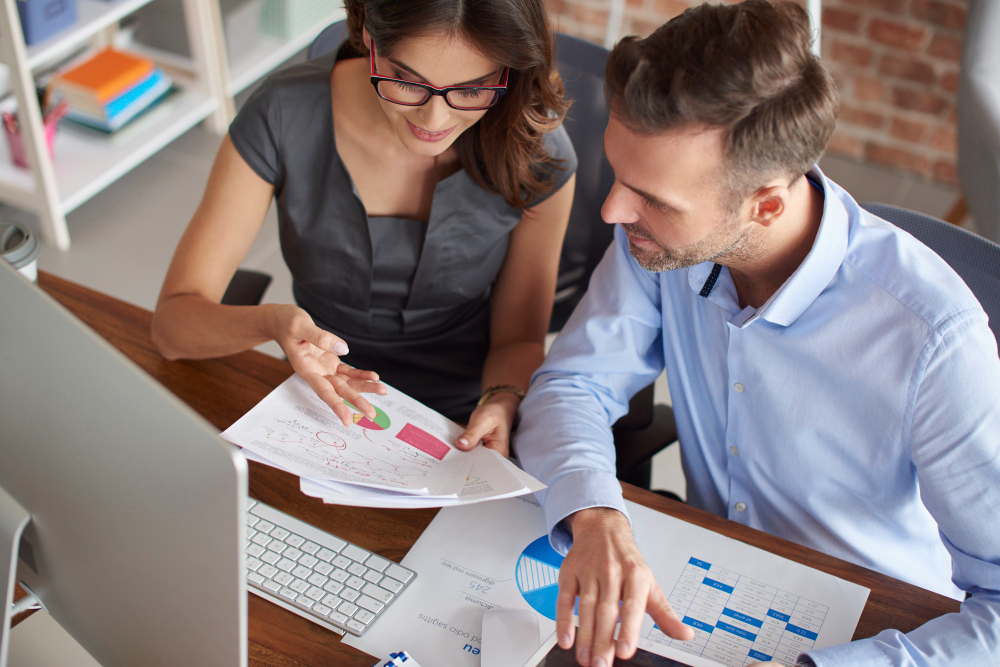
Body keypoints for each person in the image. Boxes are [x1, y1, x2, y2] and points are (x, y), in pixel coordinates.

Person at [515, 2, 1000, 666]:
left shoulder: (936, 341)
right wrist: (593, 510)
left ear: (765, 203)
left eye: (653, 197)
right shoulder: (655, 242)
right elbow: (570, 383)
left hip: (877, 631)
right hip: (709, 584)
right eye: (621, 177)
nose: (613, 210)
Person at [151, 0, 576, 453]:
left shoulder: (537, 149)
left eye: (471, 90)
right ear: (370, 40)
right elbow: (171, 330)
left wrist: (503, 399)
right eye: (407, 81)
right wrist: (270, 322)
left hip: (462, 418)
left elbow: (518, 339)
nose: (434, 121)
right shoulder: (281, 114)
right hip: (315, 397)